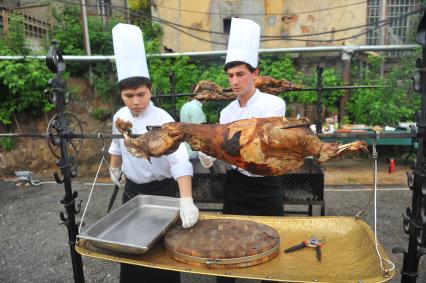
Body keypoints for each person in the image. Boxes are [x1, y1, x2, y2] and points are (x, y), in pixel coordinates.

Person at [108, 23, 199, 283]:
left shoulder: (163, 119)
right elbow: (117, 144)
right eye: (128, 96)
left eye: (141, 94)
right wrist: (114, 167)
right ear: (121, 94)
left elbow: (180, 160)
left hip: (163, 193)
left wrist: (186, 200)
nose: (135, 101)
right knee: (133, 252)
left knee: (162, 257)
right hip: (133, 193)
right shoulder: (120, 116)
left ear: (151, 90)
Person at [198, 18, 286, 283]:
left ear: (255, 74)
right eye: (230, 76)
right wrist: (208, 151)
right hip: (236, 187)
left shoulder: (274, 104)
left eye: (240, 74)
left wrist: (223, 144)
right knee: (229, 247)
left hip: (267, 187)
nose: (234, 81)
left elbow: (261, 143)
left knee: (271, 248)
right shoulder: (227, 112)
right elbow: (225, 147)